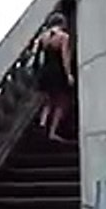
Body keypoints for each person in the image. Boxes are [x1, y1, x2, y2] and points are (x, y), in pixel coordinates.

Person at [31, 12, 75, 142]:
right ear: (62, 23)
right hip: (57, 71)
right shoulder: (63, 37)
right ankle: (52, 131)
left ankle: (43, 122)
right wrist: (68, 74)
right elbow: (64, 58)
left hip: (45, 71)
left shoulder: (42, 37)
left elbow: (35, 54)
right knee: (61, 102)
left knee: (49, 100)